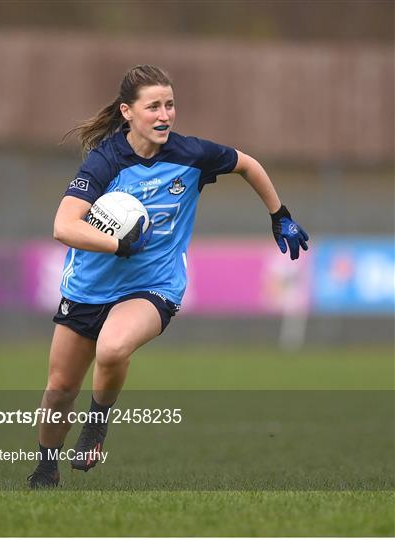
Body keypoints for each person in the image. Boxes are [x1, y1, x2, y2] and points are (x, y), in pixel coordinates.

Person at [27, 64, 309, 488]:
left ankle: (97, 424)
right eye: (153, 106)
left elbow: (248, 164)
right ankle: (46, 467)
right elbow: (63, 226)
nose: (164, 115)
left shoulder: (191, 154)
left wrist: (279, 214)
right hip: (89, 287)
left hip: (153, 285)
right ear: (127, 112)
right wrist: (117, 243)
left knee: (113, 347)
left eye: (170, 105)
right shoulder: (105, 162)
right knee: (60, 390)